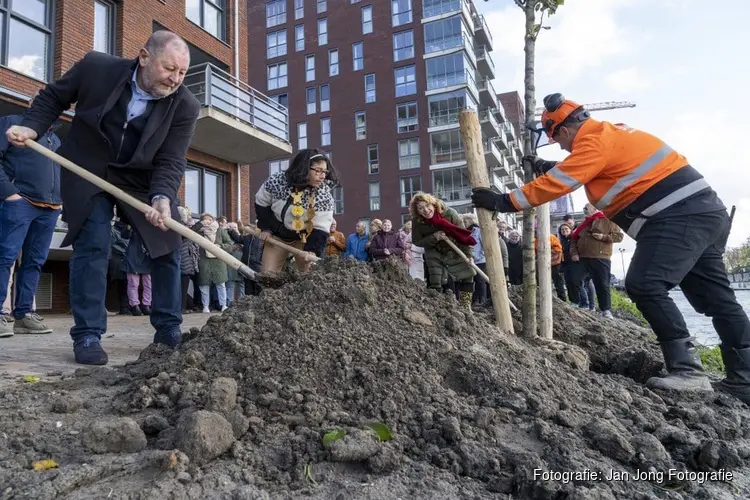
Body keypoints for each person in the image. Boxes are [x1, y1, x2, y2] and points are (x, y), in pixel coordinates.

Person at [471, 92, 750, 402]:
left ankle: (688, 370)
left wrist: (503, 201)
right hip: (705, 214)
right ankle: (745, 378)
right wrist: (545, 165)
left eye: (559, 141)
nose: (562, 146)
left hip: (677, 215)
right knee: (718, 299)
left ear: (563, 130)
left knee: (645, 284)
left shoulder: (593, 142)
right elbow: (589, 170)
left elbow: (564, 180)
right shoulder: (610, 134)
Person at [5, 31, 200, 365]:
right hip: (87, 167)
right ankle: (88, 334)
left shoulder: (185, 105)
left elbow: (171, 159)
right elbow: (54, 97)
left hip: (140, 177)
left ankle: (168, 329)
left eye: (182, 73)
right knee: (93, 242)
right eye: (170, 69)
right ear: (144, 57)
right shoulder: (97, 68)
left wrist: (163, 197)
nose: (176, 80)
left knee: (168, 239)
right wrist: (33, 126)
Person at [0, 108, 62, 337]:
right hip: (20, 202)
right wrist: (9, 192)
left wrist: (60, 199)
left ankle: (24, 315)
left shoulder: (54, 138)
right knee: (5, 257)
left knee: (35, 261)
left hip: (50, 207)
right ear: (32, 103)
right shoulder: (12, 123)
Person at [254, 149, 338, 272]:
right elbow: (261, 203)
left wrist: (313, 251)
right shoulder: (277, 181)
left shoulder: (323, 195)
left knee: (310, 277)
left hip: (306, 239)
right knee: (268, 275)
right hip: (278, 236)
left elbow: (321, 227)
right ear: (304, 168)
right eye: (318, 171)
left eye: (325, 171)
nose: (323, 176)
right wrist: (265, 228)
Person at [410, 193, 476, 311]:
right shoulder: (417, 222)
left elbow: (463, 236)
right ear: (417, 211)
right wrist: (434, 237)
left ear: (433, 204)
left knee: (468, 274)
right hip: (434, 252)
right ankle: (437, 308)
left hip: (454, 249)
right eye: (420, 208)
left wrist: (469, 256)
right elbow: (417, 241)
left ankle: (466, 306)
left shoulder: (449, 213)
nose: (425, 210)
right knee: (436, 280)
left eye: (427, 205)